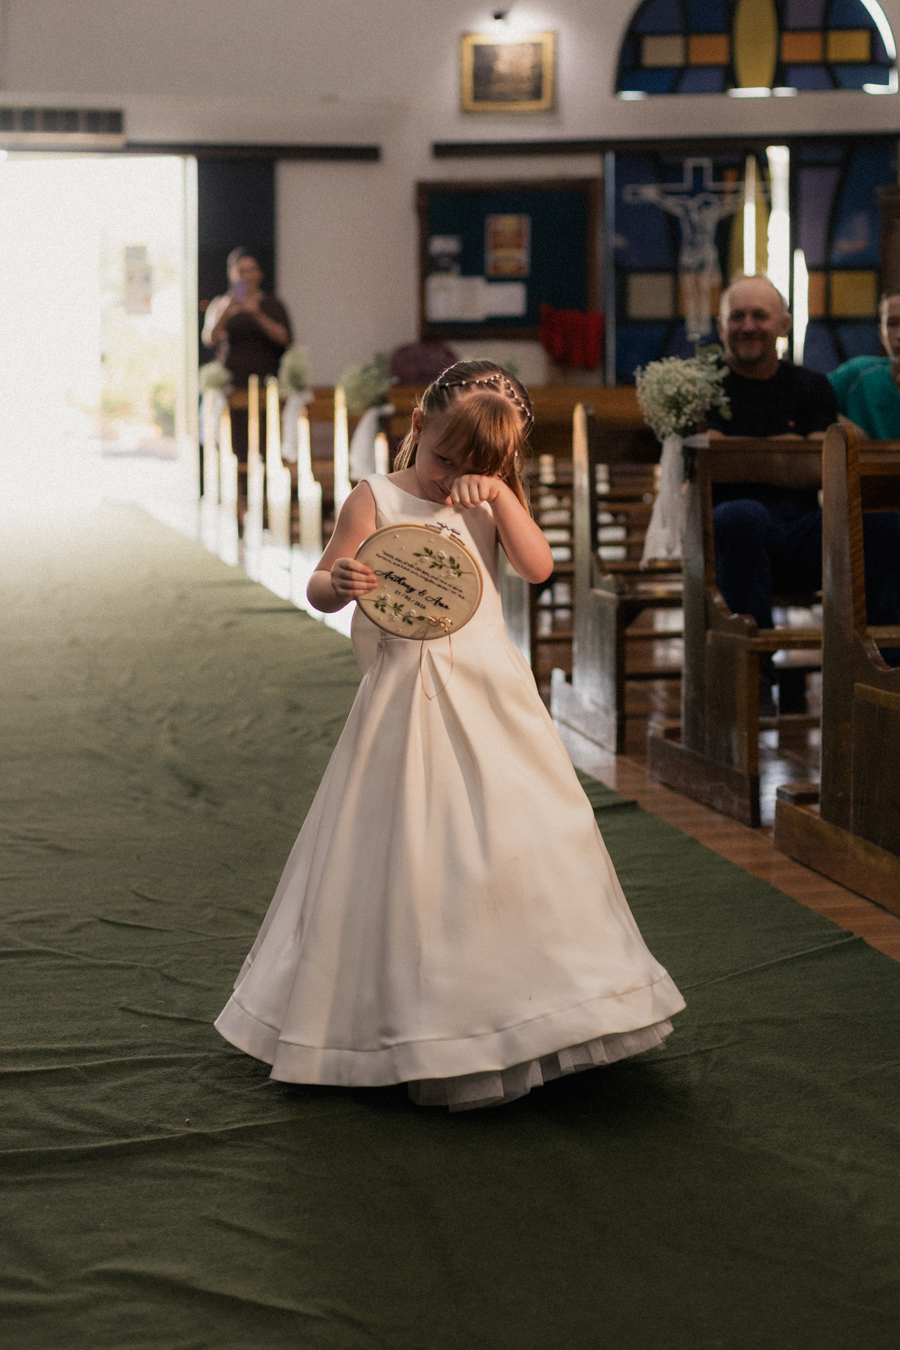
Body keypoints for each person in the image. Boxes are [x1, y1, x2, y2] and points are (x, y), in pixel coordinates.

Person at [215, 361, 685, 1111]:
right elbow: (322, 581)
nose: (450, 481)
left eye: (474, 468)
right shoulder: (376, 496)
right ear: (416, 428)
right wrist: (340, 583)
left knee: (521, 834)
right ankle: (401, 1022)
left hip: (492, 695)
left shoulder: (490, 497)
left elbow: (538, 567)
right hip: (405, 698)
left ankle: (545, 1005)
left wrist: (498, 493)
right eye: (442, 460)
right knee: (410, 843)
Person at [705, 275, 900, 698]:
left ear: (784, 324)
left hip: (800, 532)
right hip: (726, 540)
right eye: (737, 316)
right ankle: (755, 675)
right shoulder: (703, 385)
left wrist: (744, 455)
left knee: (888, 527)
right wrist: (790, 449)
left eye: (760, 315)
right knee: (743, 515)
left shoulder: (811, 386)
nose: (748, 326)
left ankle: (885, 674)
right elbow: (715, 463)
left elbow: (818, 469)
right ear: (720, 326)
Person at [201, 248, 292, 460]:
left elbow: (285, 338)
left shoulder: (272, 305)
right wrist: (225, 312)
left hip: (265, 381)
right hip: (231, 383)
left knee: (266, 443)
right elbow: (209, 339)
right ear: (231, 274)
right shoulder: (221, 304)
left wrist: (256, 313)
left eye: (251, 270)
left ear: (259, 273)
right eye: (241, 271)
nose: (246, 276)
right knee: (233, 445)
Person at [828, 290, 900, 440]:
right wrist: (847, 429)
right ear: (881, 333)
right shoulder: (859, 374)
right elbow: (809, 400)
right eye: (892, 324)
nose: (899, 335)